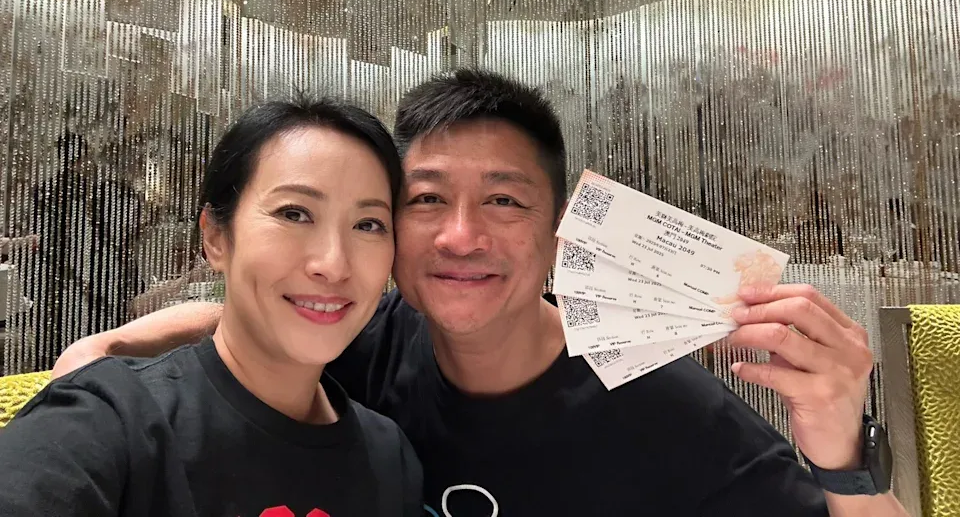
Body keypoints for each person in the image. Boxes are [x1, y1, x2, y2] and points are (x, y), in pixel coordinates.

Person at [54, 70, 907, 517]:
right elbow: (261, 311)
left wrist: (843, 453)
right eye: (425, 201)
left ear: (559, 233)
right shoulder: (372, 341)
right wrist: (113, 348)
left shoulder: (664, 407)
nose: (460, 237)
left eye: (503, 201)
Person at [0, 98, 423, 517]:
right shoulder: (108, 420)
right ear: (216, 237)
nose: (333, 265)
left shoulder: (389, 458)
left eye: (368, 224)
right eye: (294, 214)